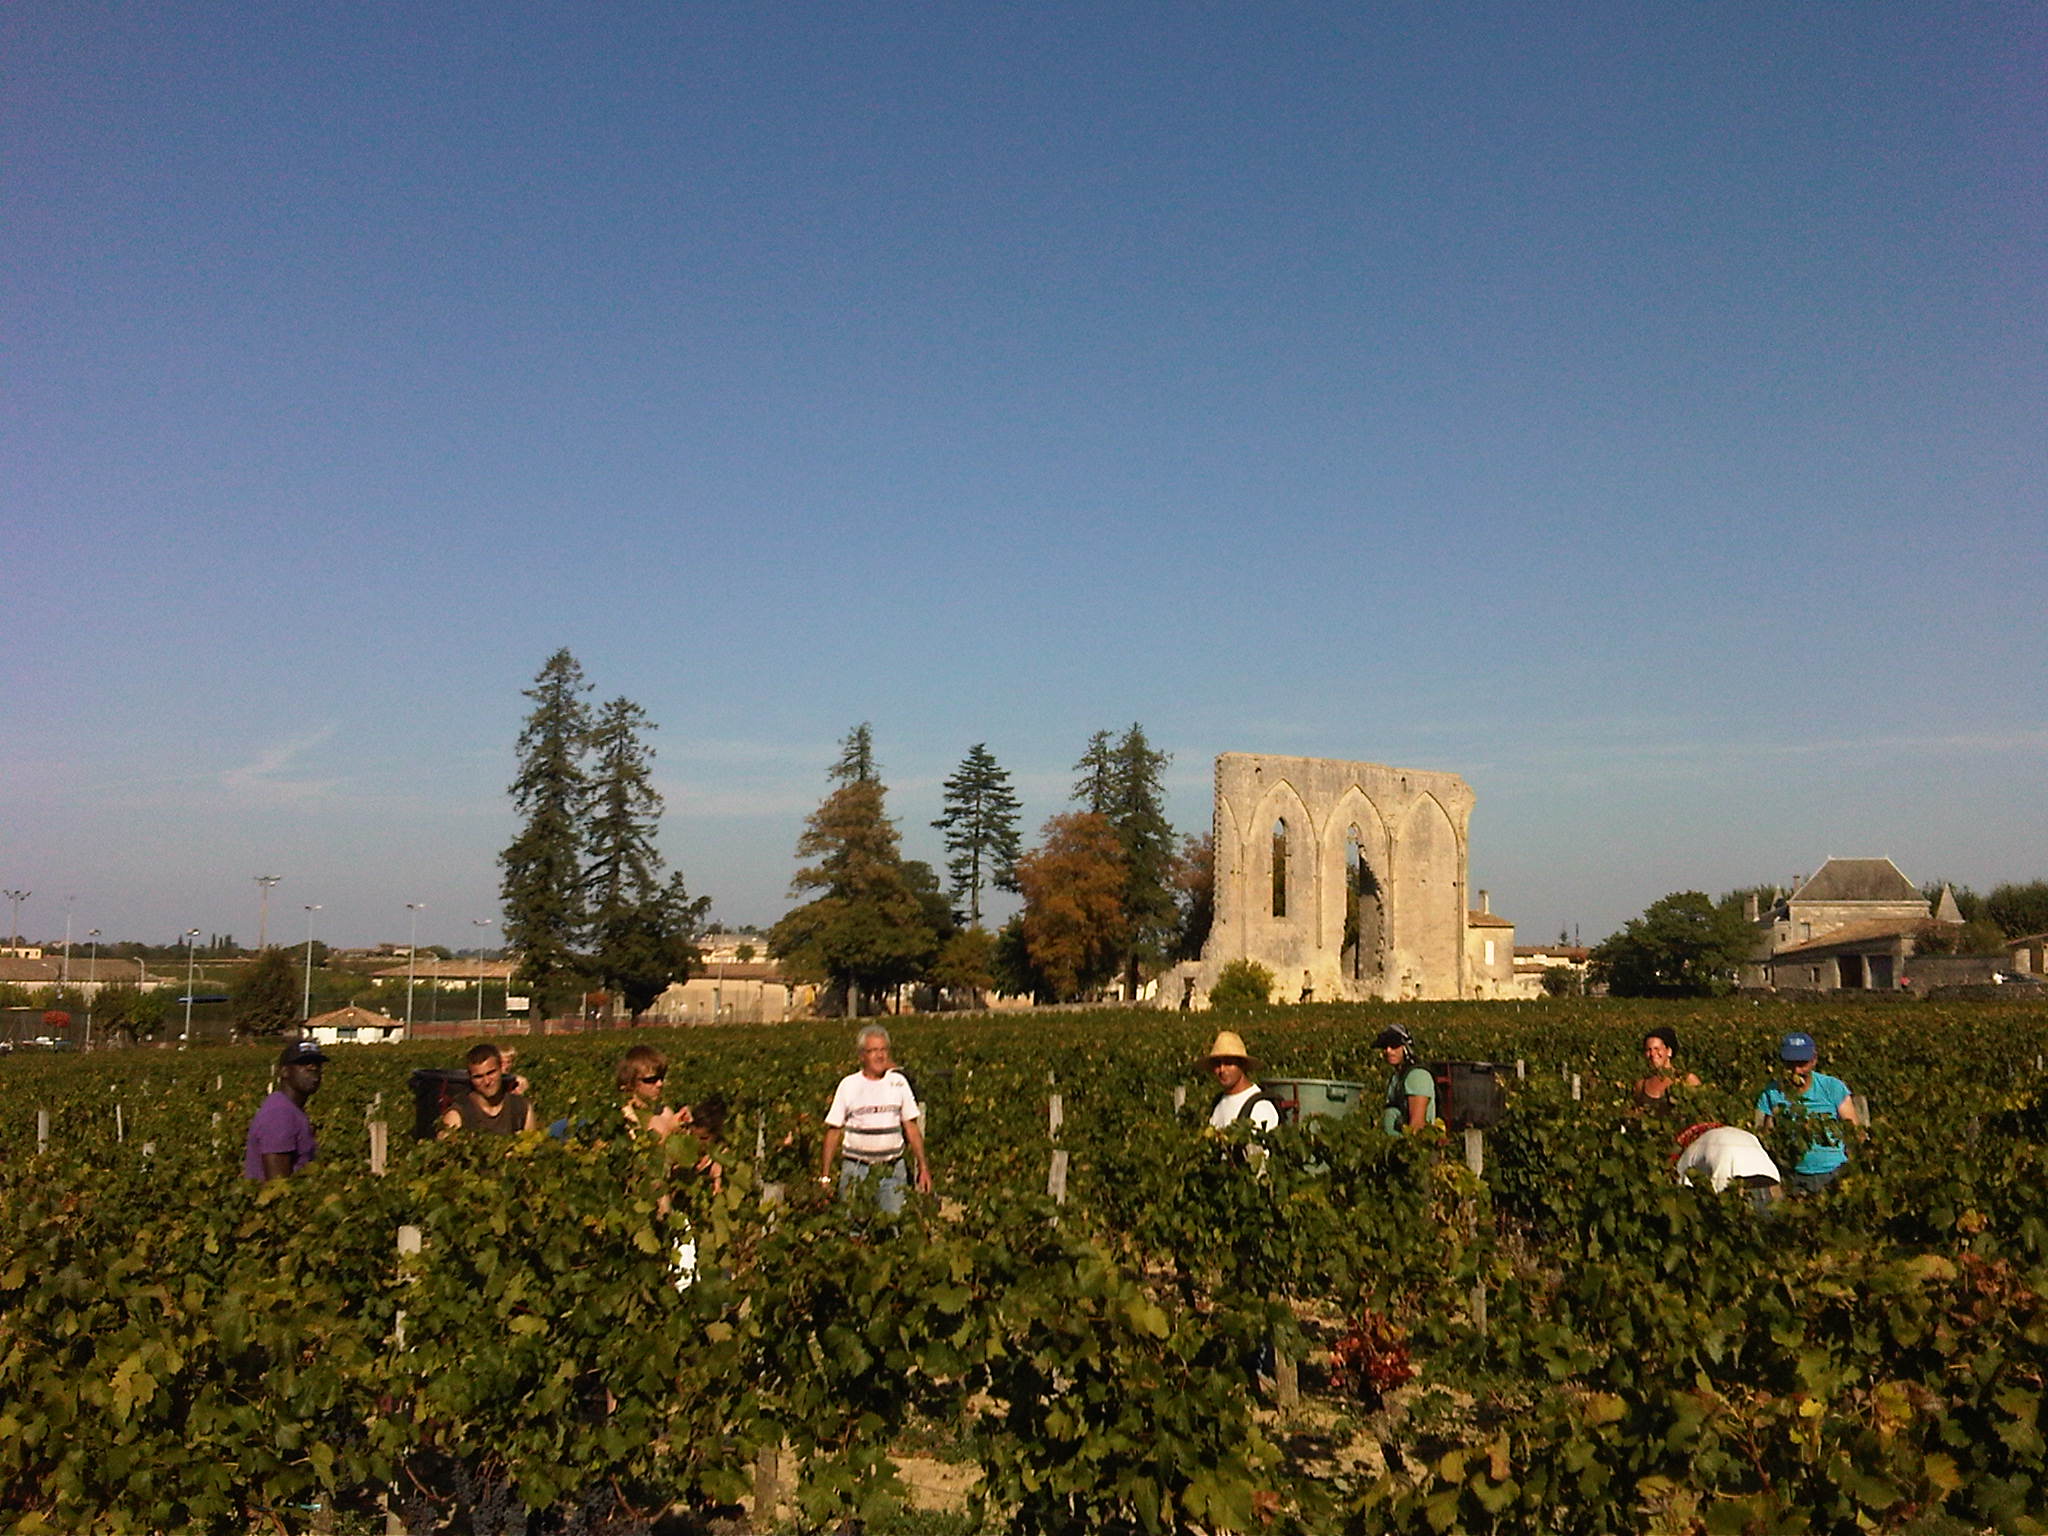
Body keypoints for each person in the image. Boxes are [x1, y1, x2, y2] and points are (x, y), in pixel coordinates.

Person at [820, 1025, 931, 1214]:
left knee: (893, 1227)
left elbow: (911, 1128)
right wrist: (825, 1176)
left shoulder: (898, 1083)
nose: (880, 1056)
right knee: (852, 1229)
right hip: (856, 1171)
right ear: (862, 1056)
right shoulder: (849, 1085)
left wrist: (923, 1166)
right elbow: (834, 1131)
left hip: (892, 1171)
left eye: (883, 1050)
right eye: (873, 1051)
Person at [1756, 1031, 1859, 1194]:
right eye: (1790, 1064)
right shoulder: (1772, 1092)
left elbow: (1854, 1131)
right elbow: (1768, 1135)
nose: (1796, 1070)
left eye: (1802, 1063)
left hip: (1833, 1174)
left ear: (1814, 1060)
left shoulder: (1832, 1087)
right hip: (1792, 1176)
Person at [244, 1039, 326, 1180]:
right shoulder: (279, 1114)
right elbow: (277, 1186)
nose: (313, 1069)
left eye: (317, 1064)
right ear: (284, 1072)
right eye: (304, 1064)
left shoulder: (290, 1109)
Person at [1672, 1121, 1782, 1209]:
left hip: (1728, 1150)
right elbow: (1720, 1199)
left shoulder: (1723, 1151)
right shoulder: (1721, 1157)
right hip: (1697, 1172)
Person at [440, 1041, 534, 1135]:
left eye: (491, 1073)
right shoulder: (457, 1115)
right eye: (478, 1077)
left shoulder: (522, 1108)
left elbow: (534, 1144)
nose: (487, 1082)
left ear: (501, 1068)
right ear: (470, 1077)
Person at [1197, 1029, 1281, 1131]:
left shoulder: (1260, 1107)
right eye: (1217, 1064)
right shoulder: (1218, 1102)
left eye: (1229, 1063)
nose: (1222, 1069)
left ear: (1242, 1065)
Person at [616, 1043, 691, 1141]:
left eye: (661, 1077)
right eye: (651, 1080)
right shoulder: (624, 1117)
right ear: (630, 1082)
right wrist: (669, 1130)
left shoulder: (665, 1111)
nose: (660, 1084)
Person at [1377, 1024, 1437, 1134]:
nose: (1388, 1050)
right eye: (1385, 1046)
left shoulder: (1417, 1076)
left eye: (1394, 1046)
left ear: (1406, 1047)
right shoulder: (1398, 1076)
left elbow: (1417, 1125)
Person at [1633, 1026, 1703, 1110]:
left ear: (1669, 1051)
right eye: (1648, 1049)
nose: (1652, 1053)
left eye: (1657, 1049)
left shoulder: (1687, 1080)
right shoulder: (1641, 1085)